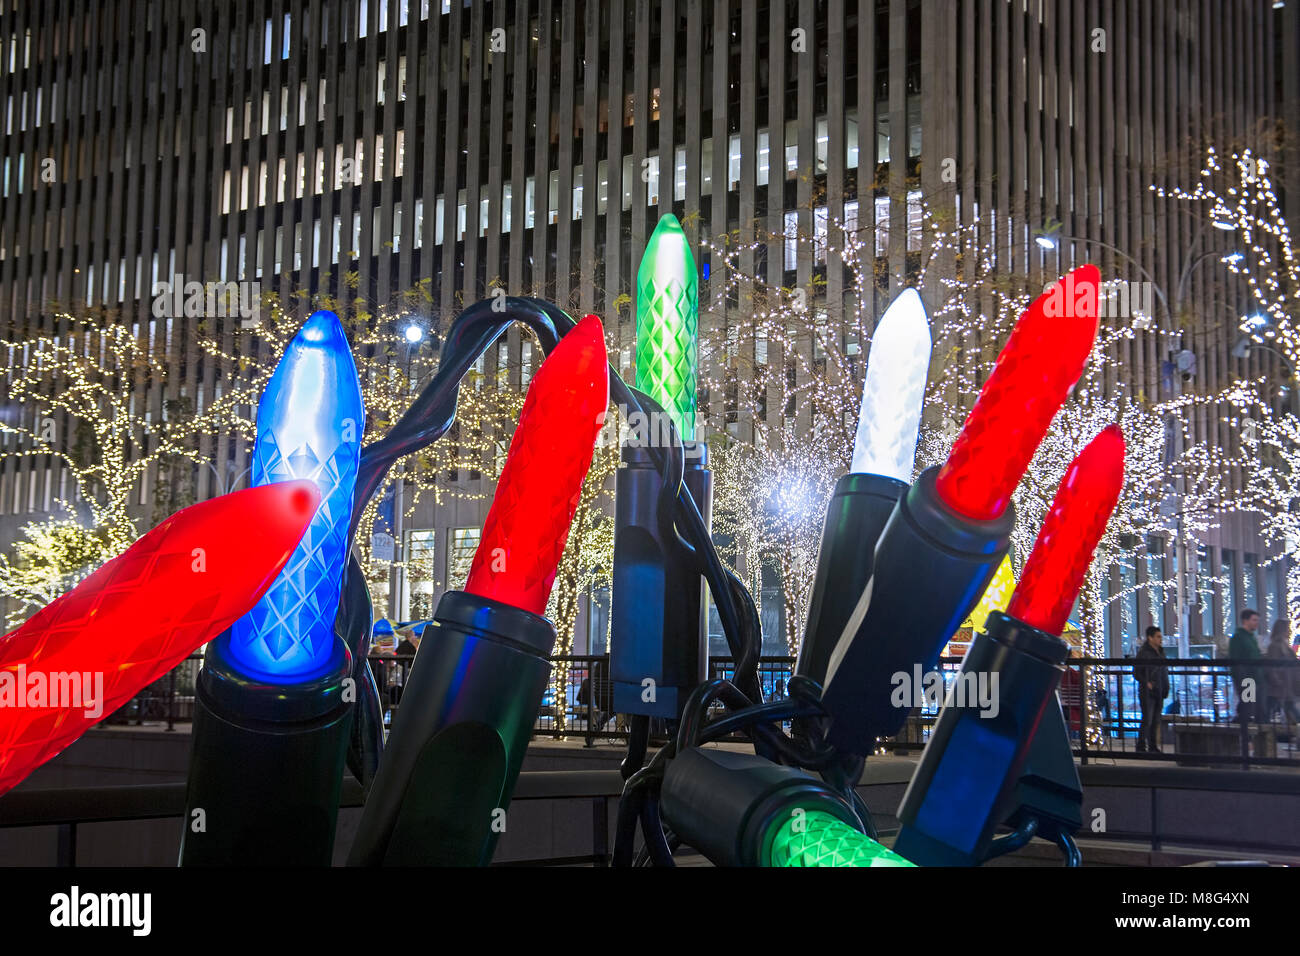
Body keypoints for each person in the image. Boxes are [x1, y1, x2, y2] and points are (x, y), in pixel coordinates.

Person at [1133, 626, 1169, 753]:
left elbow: (1164, 670)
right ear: (1150, 638)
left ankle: (1153, 746)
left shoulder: (1160, 652)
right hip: (1148, 690)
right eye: (1158, 636)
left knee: (1155, 719)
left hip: (1159, 688)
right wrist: (1146, 682)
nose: (1160, 639)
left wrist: (1165, 686)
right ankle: (1141, 745)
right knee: (1147, 718)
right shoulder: (1144, 653)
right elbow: (1137, 672)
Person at [1229, 609, 1263, 727]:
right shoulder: (1239, 637)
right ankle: (1243, 732)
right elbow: (1235, 659)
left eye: (1257, 620)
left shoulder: (1250, 637)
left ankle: (1243, 730)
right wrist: (1241, 676)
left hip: (1252, 677)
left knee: (1248, 704)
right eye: (1254, 620)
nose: (1256, 623)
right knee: (1247, 704)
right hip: (1246, 677)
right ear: (1245, 620)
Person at [1265, 619, 1299, 734]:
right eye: (1287, 629)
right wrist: (1277, 681)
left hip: (1286, 688)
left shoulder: (1283, 645)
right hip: (1280, 688)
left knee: (1290, 713)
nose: (1289, 631)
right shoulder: (1275, 646)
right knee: (1292, 713)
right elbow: (1272, 667)